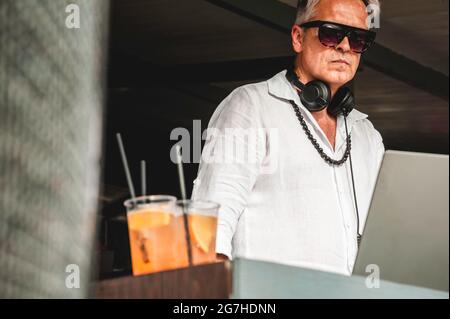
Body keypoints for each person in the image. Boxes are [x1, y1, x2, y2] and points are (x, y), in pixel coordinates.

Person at [191, 0, 384, 276]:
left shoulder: (367, 135)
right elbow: (208, 227)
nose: (344, 46)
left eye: (358, 39)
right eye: (331, 33)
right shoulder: (250, 107)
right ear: (298, 38)